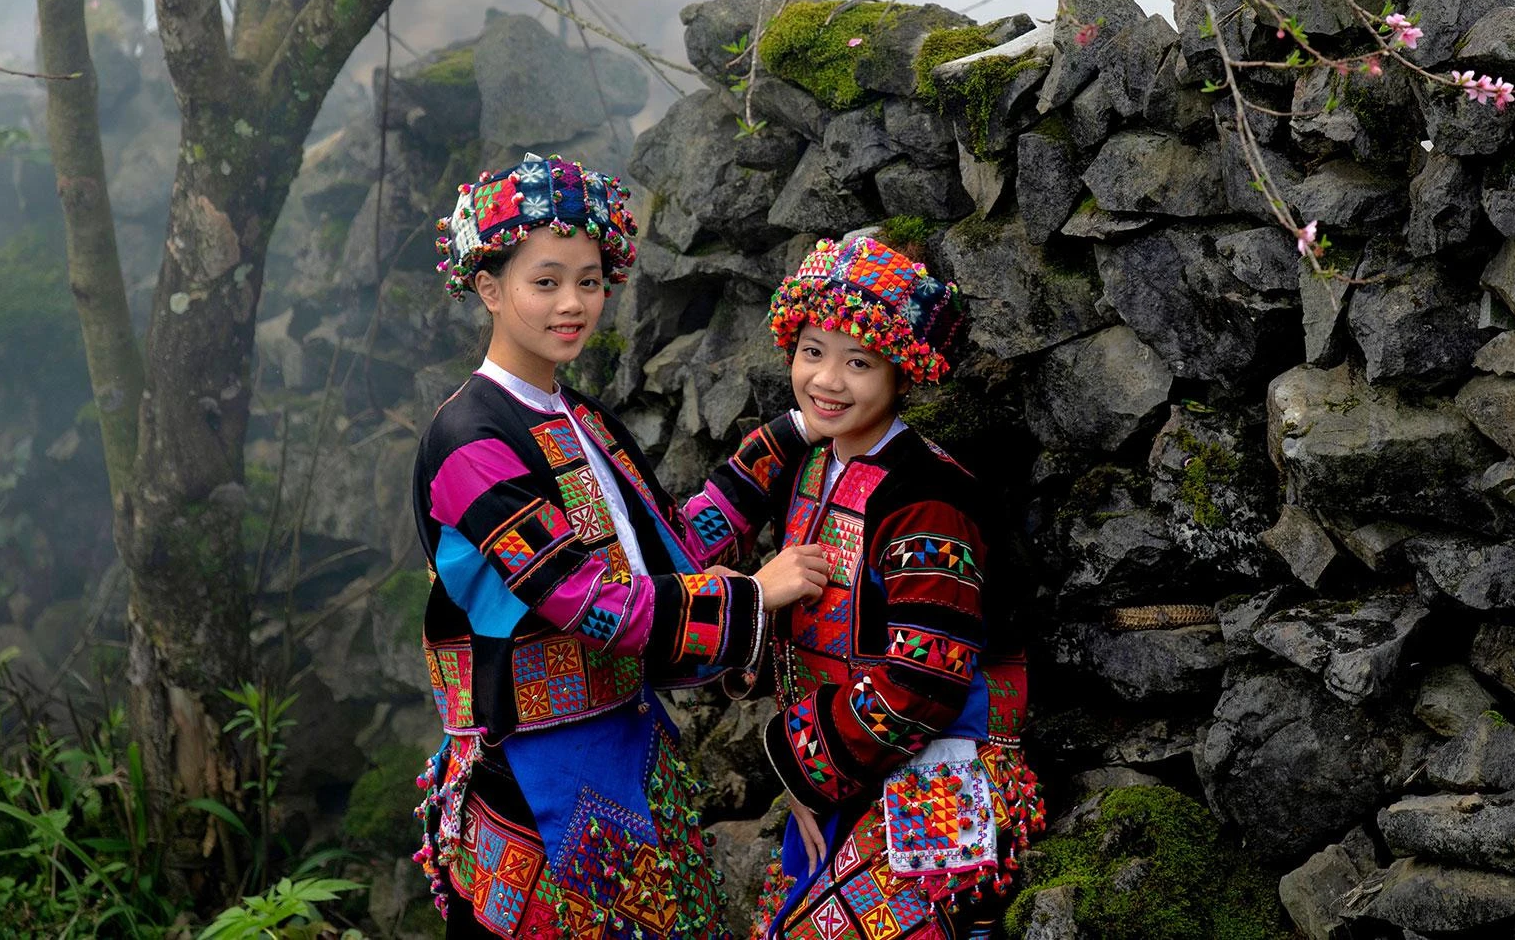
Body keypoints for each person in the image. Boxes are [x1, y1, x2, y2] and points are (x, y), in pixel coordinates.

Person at [410, 153, 830, 940]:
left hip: (628, 744)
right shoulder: (470, 442)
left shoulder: (577, 418)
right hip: (539, 773)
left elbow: (667, 548)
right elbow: (586, 598)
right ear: (489, 288)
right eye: (546, 282)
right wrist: (754, 594)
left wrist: (798, 429)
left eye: (591, 280)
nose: (574, 304)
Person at [734, 237, 1043, 940]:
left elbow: (925, 679)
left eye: (859, 362)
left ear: (903, 374)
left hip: (936, 774)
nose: (828, 381)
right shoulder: (814, 468)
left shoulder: (927, 498)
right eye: (813, 352)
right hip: (848, 767)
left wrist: (800, 764)